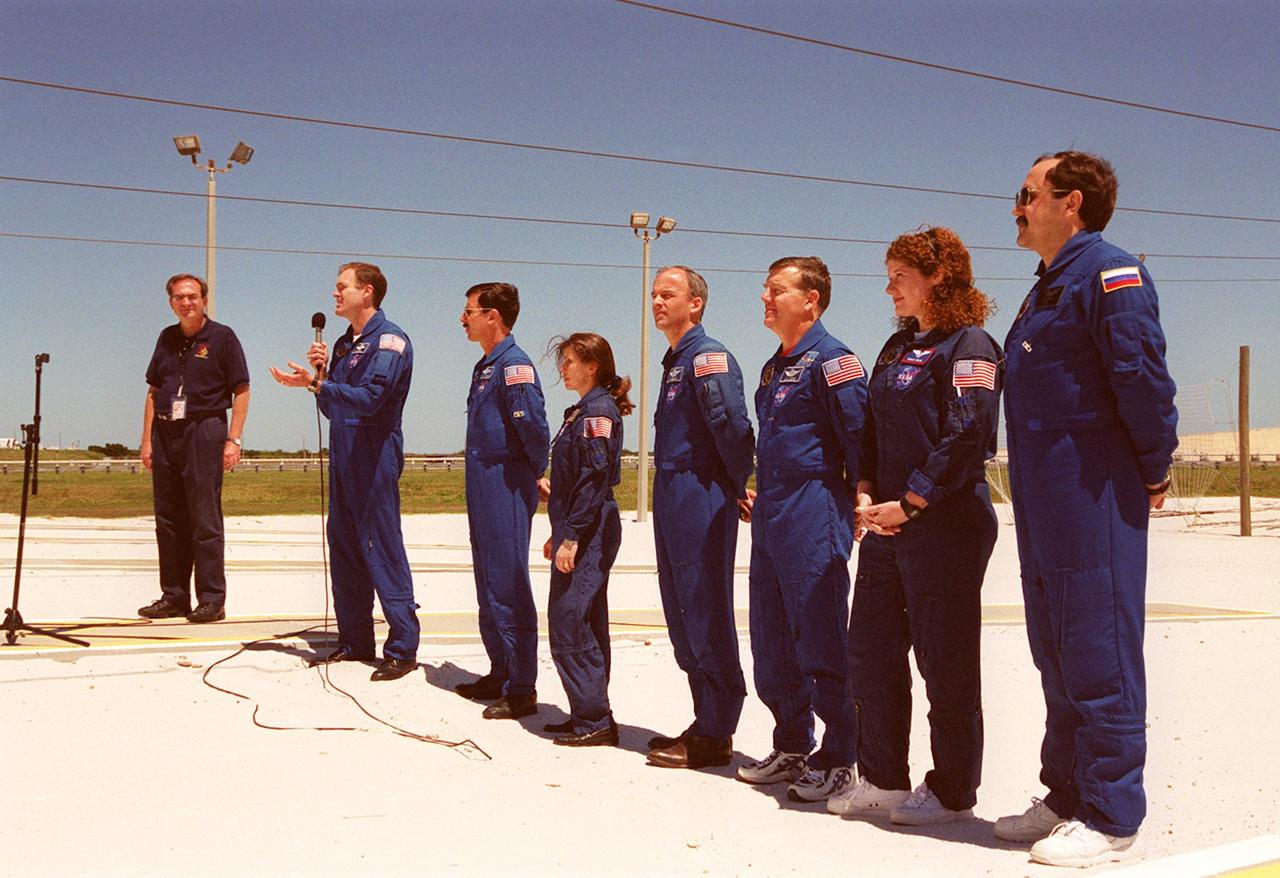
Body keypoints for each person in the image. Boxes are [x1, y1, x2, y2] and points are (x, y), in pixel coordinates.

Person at [997, 151, 1177, 867]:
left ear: (1069, 203)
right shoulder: (1047, 286)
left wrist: (1154, 467)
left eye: (1026, 193)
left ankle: (1112, 813)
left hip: (1093, 486)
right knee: (1057, 646)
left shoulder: (1110, 272)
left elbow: (1140, 375)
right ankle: (1067, 793)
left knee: (1098, 643)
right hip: (1045, 492)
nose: (1016, 206)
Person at [826, 227, 1001, 826]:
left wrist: (914, 501)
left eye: (900, 276)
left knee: (944, 662)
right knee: (870, 653)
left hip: (945, 523)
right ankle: (884, 777)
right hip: (887, 522)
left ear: (938, 277)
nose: (889, 287)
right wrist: (869, 487)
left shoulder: (970, 344)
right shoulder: (895, 348)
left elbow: (968, 432)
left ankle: (953, 790)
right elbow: (873, 427)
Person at [737, 256, 867, 802]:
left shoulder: (835, 361)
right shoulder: (773, 366)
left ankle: (841, 756)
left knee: (820, 633)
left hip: (815, 505)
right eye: (765, 290)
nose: (765, 299)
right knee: (770, 636)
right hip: (772, 507)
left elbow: (861, 437)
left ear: (810, 300)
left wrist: (862, 497)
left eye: (776, 291)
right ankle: (792, 743)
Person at [270, 262, 422, 682]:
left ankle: (402, 647)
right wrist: (320, 377)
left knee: (381, 547)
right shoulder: (341, 344)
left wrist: (318, 385)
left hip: (373, 455)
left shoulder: (389, 340)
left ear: (367, 292)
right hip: (343, 453)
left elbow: (372, 397)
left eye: (342, 287)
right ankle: (355, 639)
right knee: (346, 548)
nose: (334, 294)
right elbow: (331, 406)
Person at [645, 266, 755, 770]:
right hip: (671, 489)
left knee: (704, 604)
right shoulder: (675, 362)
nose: (657, 301)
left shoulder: (708, 357)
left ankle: (717, 728)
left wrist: (739, 483)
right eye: (654, 294)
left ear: (696, 304)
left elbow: (732, 426)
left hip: (699, 490)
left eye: (668, 294)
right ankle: (703, 716)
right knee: (681, 608)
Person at [458, 282, 550, 721]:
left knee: (508, 579)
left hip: (506, 480)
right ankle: (500, 669)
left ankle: (522, 686)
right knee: (487, 579)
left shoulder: (515, 366)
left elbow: (532, 429)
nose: (464, 317)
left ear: (493, 316)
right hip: (481, 478)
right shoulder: (485, 367)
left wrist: (533, 473)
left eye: (470, 310)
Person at [138, 273, 249, 624]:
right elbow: (154, 391)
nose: (187, 302)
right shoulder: (166, 338)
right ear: (171, 301)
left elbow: (242, 389)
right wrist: (146, 441)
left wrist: (234, 438)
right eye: (180, 297)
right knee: (168, 519)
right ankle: (174, 596)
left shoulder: (222, 337)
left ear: (204, 300)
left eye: (193, 296)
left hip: (205, 429)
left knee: (204, 518)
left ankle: (212, 599)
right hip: (167, 432)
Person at [538, 333, 630, 747]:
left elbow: (595, 479)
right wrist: (558, 532)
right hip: (579, 524)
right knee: (583, 618)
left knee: (570, 618)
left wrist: (571, 537)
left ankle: (594, 718)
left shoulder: (598, 411)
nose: (563, 368)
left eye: (570, 361)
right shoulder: (582, 411)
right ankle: (586, 711)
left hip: (591, 527)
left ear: (592, 366)